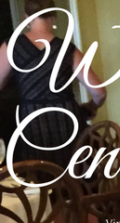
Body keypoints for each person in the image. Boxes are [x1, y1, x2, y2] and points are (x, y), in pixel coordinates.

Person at [0, 0, 106, 168]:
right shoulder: (67, 49)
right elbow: (99, 92)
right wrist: (90, 107)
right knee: (73, 176)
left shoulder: (10, 46)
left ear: (26, 18)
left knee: (38, 177)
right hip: (66, 119)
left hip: (31, 121)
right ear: (54, 18)